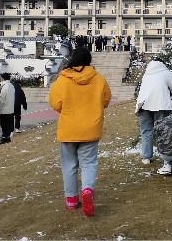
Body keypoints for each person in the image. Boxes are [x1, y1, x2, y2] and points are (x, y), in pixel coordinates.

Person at [49, 47, 111, 216]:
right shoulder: (99, 79)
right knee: (89, 163)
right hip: (91, 128)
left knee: (69, 165)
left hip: (68, 129)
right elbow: (106, 100)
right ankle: (88, 191)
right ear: (89, 59)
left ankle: (71, 200)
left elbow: (55, 103)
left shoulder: (63, 79)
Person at [135, 59, 172, 164]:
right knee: (164, 131)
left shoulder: (147, 73)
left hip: (143, 104)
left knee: (146, 131)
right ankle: (166, 158)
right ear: (162, 64)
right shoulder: (165, 72)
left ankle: (146, 157)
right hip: (160, 104)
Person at [0, 73, 15, 145]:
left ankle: (4, 138)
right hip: (10, 109)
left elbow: (1, 100)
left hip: (4, 110)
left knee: (4, 125)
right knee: (8, 125)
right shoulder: (11, 86)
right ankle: (7, 138)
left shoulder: (4, 87)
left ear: (2, 79)